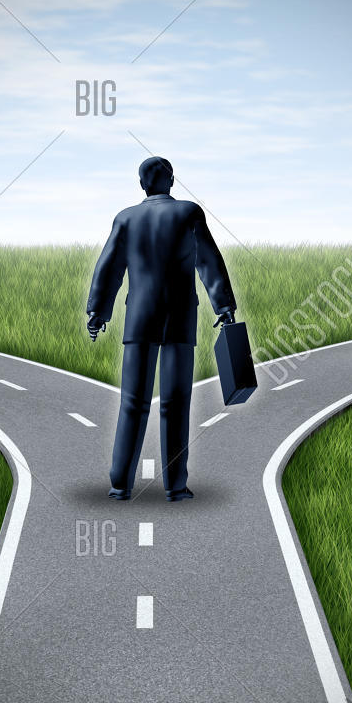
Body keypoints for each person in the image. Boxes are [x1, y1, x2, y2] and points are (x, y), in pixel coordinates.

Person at [86, 156, 236, 501]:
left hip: (139, 317)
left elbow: (109, 267)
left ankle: (120, 484)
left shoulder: (126, 218)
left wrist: (98, 312)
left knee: (132, 403)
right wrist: (224, 306)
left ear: (142, 185)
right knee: (176, 404)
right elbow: (208, 261)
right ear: (172, 180)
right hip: (180, 318)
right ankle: (176, 486)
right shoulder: (189, 212)